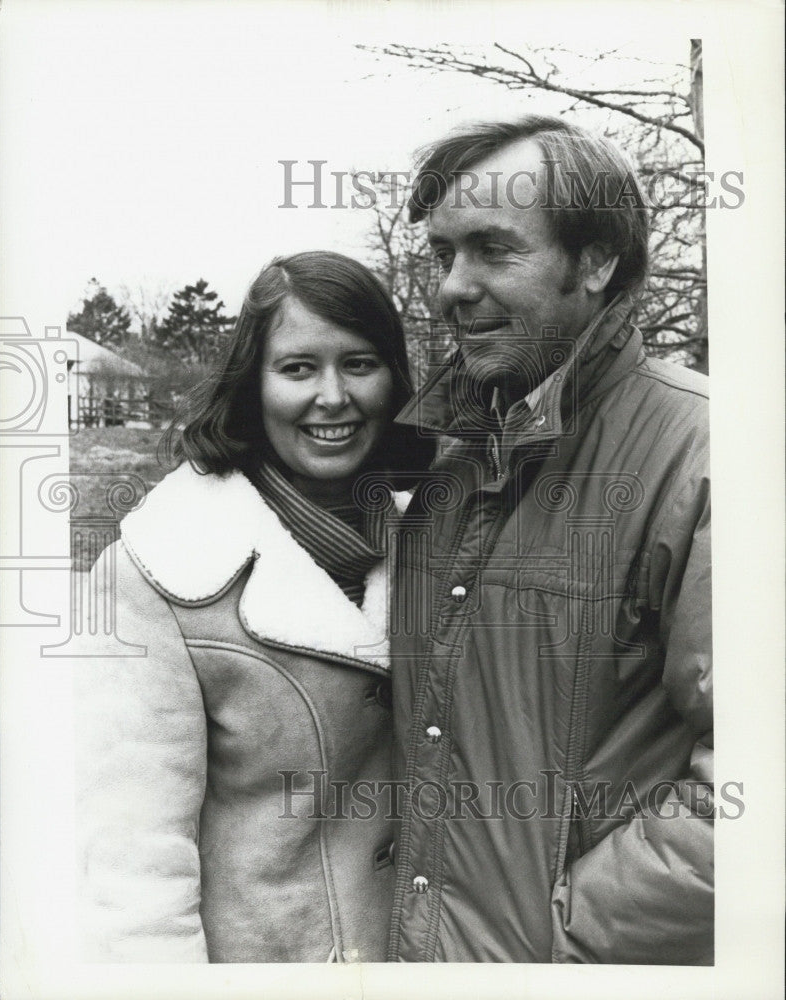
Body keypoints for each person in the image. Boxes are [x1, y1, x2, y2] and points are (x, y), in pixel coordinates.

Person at [386, 116, 713, 964]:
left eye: (493, 250)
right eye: (442, 254)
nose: (451, 288)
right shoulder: (454, 462)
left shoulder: (710, 455)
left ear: (596, 262)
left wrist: (562, 943)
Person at [73, 250, 433, 962]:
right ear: (251, 385)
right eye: (298, 368)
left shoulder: (437, 538)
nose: (333, 396)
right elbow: (133, 865)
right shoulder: (158, 567)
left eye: (359, 363)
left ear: (395, 379)